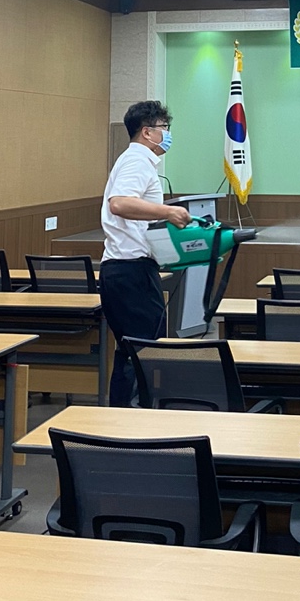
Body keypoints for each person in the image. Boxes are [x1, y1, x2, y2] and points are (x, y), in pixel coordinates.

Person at [100, 99, 190, 406]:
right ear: (147, 132)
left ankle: (124, 417)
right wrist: (168, 212)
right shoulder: (137, 161)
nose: (168, 133)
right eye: (165, 127)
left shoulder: (136, 161)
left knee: (130, 352)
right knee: (142, 352)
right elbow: (119, 203)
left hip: (125, 270)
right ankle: (134, 419)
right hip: (130, 272)